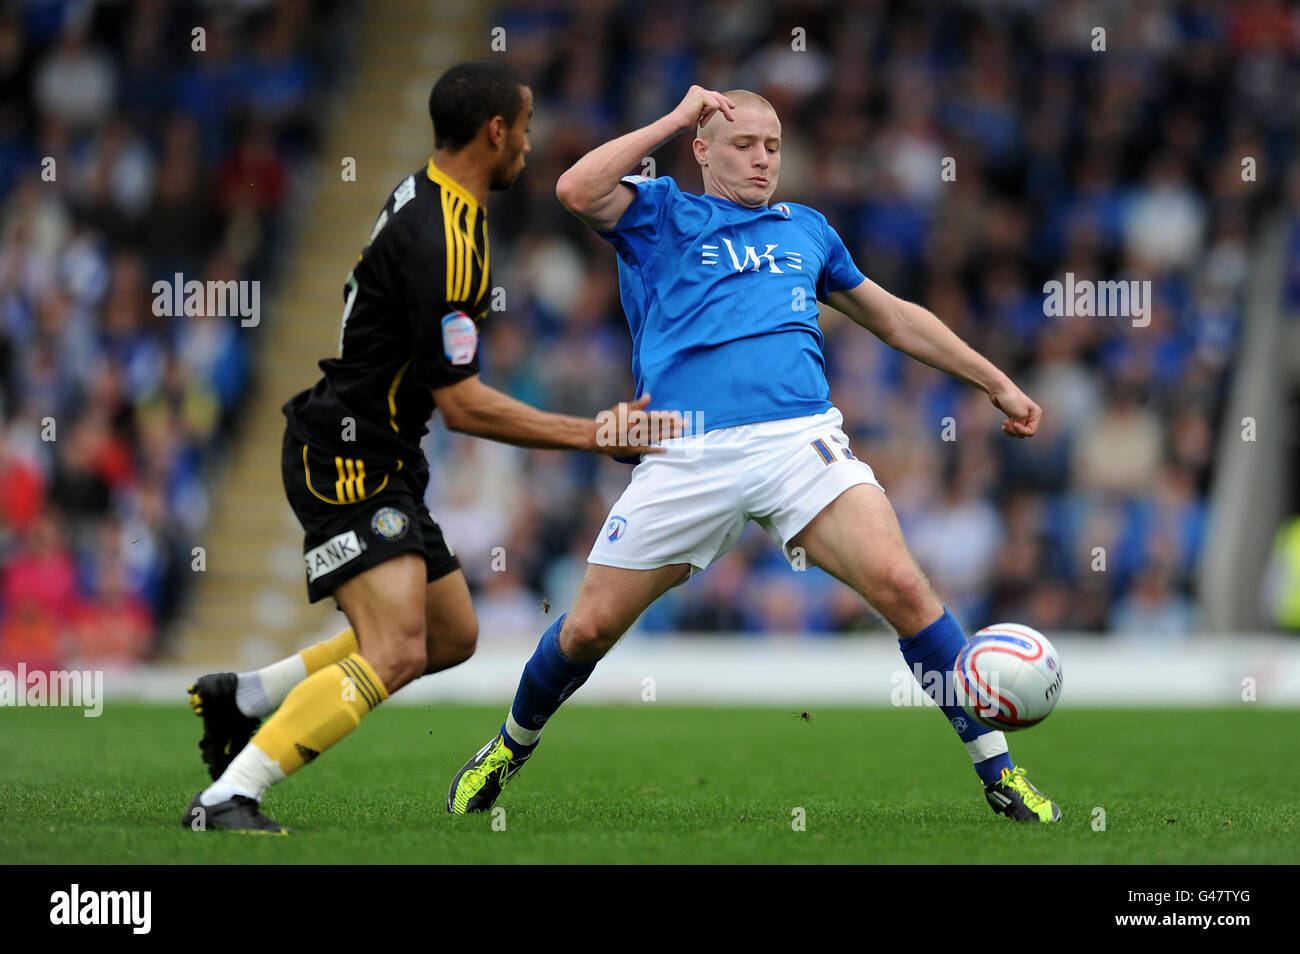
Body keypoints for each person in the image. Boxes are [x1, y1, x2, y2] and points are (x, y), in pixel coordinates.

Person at [446, 86, 1061, 823]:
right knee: (587, 630)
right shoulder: (662, 210)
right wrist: (676, 117)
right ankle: (510, 747)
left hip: (797, 441)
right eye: (744, 144)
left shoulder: (807, 229)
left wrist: (995, 381)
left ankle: (999, 773)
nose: (763, 158)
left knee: (901, 585)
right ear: (703, 149)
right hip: (685, 451)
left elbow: (892, 317)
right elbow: (576, 187)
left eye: (772, 145)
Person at [183, 60, 675, 833]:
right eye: (527, 126)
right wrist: (593, 432)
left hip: (381, 453)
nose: (530, 143)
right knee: (396, 650)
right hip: (348, 457)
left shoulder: (432, 197)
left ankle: (241, 699)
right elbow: (464, 406)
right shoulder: (449, 237)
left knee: (451, 635)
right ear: (496, 131)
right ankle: (227, 798)